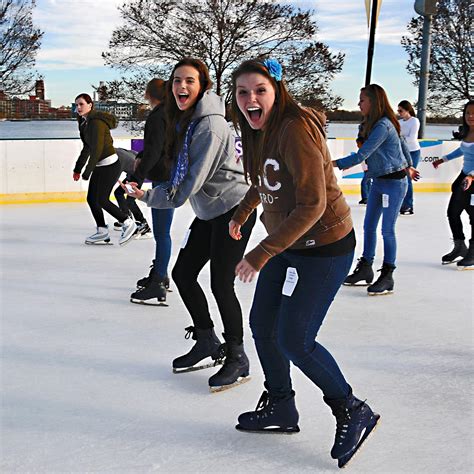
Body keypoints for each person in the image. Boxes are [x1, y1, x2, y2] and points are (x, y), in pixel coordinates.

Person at [229, 58, 379, 469]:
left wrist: (261, 253)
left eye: (259, 89)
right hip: (290, 242)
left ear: (276, 91)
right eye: (243, 92)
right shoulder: (260, 130)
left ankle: (351, 408)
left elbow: (312, 204)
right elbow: (266, 181)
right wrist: (244, 212)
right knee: (262, 324)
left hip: (325, 246)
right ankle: (281, 405)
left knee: (295, 338)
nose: (250, 99)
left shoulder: (294, 129)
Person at [124, 58, 256, 391]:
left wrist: (147, 195)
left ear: (202, 87)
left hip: (234, 208)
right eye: (176, 81)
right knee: (183, 273)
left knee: (220, 283)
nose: (182, 87)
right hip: (211, 210)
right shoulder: (185, 121)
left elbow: (186, 187)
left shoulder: (209, 126)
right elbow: (177, 166)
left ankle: (238, 357)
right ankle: (207, 340)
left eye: (190, 81)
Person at [334, 84, 419, 295]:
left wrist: (329, 163)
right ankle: (366, 268)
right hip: (379, 181)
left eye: (362, 99)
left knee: (387, 229)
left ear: (373, 101)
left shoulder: (384, 125)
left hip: (394, 183)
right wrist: (410, 164)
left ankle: (388, 275)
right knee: (369, 226)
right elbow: (402, 146)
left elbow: (361, 156)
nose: (358, 103)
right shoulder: (371, 124)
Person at [128, 78, 176, 305]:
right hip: (166, 177)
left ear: (149, 94)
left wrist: (136, 177)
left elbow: (155, 150)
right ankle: (161, 274)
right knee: (161, 232)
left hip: (164, 179)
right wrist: (140, 157)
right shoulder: (169, 114)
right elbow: (156, 146)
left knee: (162, 233)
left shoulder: (158, 116)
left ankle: (158, 281)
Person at [73, 93, 136, 245]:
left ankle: (128, 222)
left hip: (110, 165)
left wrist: (88, 171)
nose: (78, 108)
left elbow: (97, 149)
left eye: (81, 104)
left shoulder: (96, 123)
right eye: (76, 105)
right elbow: (87, 147)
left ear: (90, 105)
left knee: (102, 199)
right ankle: (102, 231)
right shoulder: (84, 122)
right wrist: (78, 168)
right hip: (100, 166)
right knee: (92, 199)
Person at [433, 100, 474, 270]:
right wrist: (443, 159)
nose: (470, 116)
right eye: (467, 113)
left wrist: (472, 176)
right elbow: (462, 150)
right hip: (464, 176)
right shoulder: (467, 132)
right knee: (453, 212)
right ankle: (460, 246)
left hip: (473, 178)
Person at [112, 147, 152, 239]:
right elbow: (133, 153)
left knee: (130, 201)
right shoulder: (117, 151)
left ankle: (144, 225)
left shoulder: (118, 156)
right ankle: (126, 217)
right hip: (132, 174)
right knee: (118, 192)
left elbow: (115, 174)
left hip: (138, 176)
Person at [398, 100, 421, 215]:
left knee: (407, 178)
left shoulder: (414, 121)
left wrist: (400, 139)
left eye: (401, 110)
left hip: (413, 152)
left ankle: (408, 205)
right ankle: (401, 203)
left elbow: (412, 138)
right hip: (402, 152)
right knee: (401, 178)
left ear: (407, 110)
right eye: (398, 111)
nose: (399, 113)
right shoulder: (399, 122)